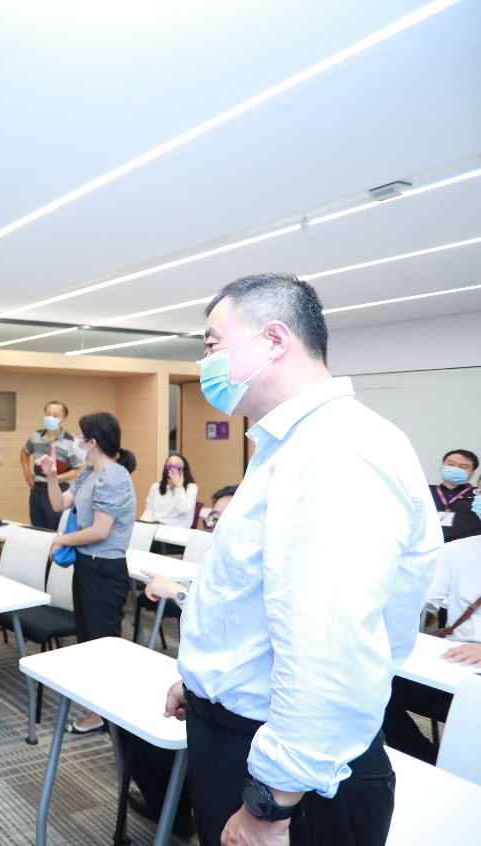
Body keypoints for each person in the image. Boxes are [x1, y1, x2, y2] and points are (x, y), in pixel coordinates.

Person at [165, 273, 441, 846]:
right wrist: (202, 682)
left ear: (273, 339)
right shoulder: (291, 445)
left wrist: (271, 804)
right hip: (251, 731)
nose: (205, 361)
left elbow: (330, 648)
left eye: (213, 344)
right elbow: (254, 595)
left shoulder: (333, 452)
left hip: (292, 772)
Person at [39, 411, 137, 733]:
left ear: (92, 442)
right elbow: (59, 504)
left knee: (102, 644)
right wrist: (51, 476)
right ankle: (100, 708)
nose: (75, 441)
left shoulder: (114, 476)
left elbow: (99, 531)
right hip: (86, 565)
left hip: (104, 569)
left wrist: (60, 540)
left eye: (79, 436)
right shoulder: (89, 473)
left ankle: (105, 714)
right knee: (88, 641)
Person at [383, 525, 481, 762]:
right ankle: (431, 762)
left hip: (468, 673)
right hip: (453, 660)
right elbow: (419, 600)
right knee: (378, 694)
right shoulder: (457, 550)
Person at [20, 401, 83, 529]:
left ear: (64, 420)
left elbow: (78, 469)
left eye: (55, 415)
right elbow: (24, 452)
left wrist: (54, 478)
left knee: (56, 529)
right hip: (37, 490)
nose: (51, 418)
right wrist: (27, 474)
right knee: (37, 529)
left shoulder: (70, 442)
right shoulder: (36, 436)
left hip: (59, 490)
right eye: (48, 414)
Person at [141, 453, 199, 555]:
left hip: (177, 532)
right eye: (169, 464)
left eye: (177, 465)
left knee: (149, 546)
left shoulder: (191, 488)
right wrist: (141, 528)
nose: (172, 467)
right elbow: (148, 513)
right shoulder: (156, 487)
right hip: (156, 529)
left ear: (183, 471)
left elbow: (183, 509)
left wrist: (179, 486)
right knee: (137, 539)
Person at [431, 449, 480, 543]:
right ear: (442, 468)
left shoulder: (478, 496)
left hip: (466, 547)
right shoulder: (425, 493)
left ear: (472, 473)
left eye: (462, 466)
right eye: (451, 464)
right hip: (427, 546)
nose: (455, 469)